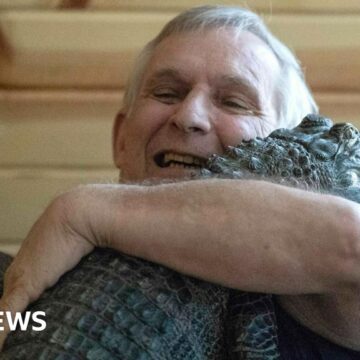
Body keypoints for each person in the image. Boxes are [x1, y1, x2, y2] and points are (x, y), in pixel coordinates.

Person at [1, 5, 360, 357]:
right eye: (166, 93)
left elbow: (351, 242)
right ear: (121, 140)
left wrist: (82, 212)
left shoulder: (326, 300)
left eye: (234, 102)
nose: (189, 116)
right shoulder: (18, 285)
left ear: (290, 138)